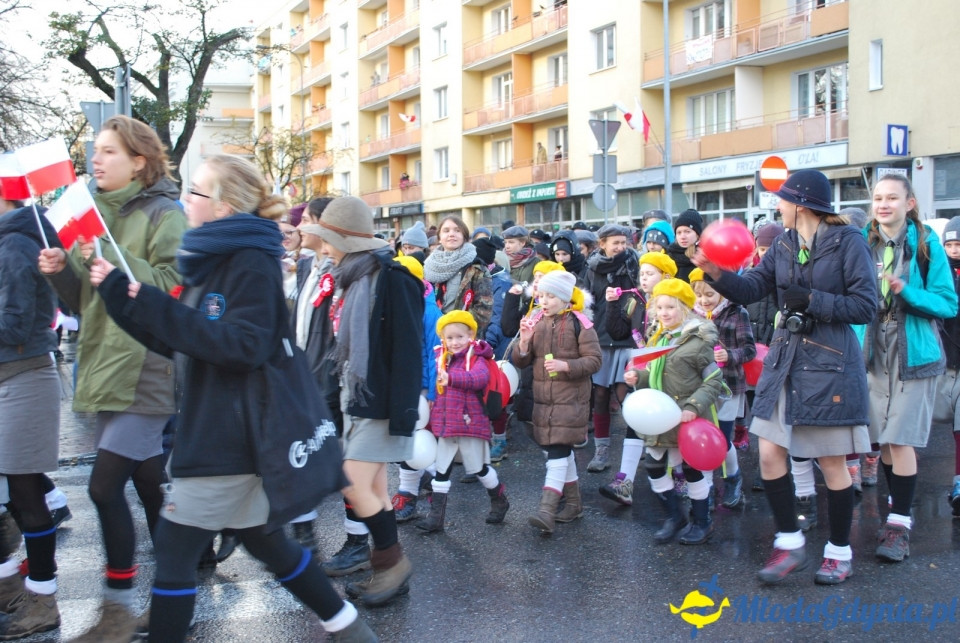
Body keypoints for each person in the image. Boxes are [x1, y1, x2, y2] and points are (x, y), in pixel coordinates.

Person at [88, 155, 376, 642]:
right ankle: (349, 628)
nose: (185, 200)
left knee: (176, 555)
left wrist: (149, 301)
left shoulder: (248, 263)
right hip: (226, 431)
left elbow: (243, 346)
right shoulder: (215, 259)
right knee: (269, 546)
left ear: (222, 208)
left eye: (195, 192)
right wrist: (121, 295)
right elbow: (184, 342)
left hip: (229, 438)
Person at [38, 115, 188, 639]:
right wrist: (63, 270)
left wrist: (114, 267)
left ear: (139, 161)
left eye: (108, 151)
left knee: (104, 488)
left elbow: (173, 285)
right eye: (93, 152)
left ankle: (117, 609)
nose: (95, 160)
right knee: (149, 482)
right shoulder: (89, 218)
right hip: (104, 362)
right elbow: (85, 301)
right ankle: (181, 579)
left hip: (147, 367)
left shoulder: (166, 213)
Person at [693, 169, 878, 585]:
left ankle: (838, 552)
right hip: (785, 361)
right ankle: (789, 542)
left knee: (831, 462)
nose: (776, 206)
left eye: (781, 199)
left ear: (800, 202)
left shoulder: (849, 242)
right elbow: (752, 289)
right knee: (770, 453)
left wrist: (812, 300)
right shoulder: (784, 243)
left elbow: (866, 306)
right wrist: (713, 271)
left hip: (829, 366)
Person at [314, 196, 423, 607]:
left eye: (328, 239)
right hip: (354, 397)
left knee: (353, 484)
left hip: (378, 401)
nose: (323, 247)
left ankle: (393, 565)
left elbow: (408, 350)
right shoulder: (352, 276)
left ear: (345, 239)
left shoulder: (393, 278)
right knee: (374, 490)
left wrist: (403, 414)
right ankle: (386, 571)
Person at [860, 174, 957, 562]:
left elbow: (948, 304)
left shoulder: (927, 245)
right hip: (871, 350)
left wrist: (905, 292)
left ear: (910, 203)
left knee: (900, 439)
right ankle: (896, 505)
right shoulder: (861, 242)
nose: (884, 205)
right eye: (878, 198)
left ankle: (899, 524)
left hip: (914, 352)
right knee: (883, 438)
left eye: (892, 198)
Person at [0, 207, 63, 639]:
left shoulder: (16, 243)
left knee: (24, 490)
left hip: (24, 376)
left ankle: (43, 599)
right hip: (10, 375)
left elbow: (17, 322)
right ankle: (8, 586)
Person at [623, 279, 723, 544]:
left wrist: (693, 406)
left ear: (685, 309)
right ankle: (674, 516)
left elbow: (714, 380)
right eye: (660, 307)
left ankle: (702, 522)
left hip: (687, 418)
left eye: (671, 307)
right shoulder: (658, 338)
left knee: (691, 471)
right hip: (660, 418)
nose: (664, 313)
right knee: (654, 466)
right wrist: (637, 378)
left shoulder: (698, 341)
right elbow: (652, 377)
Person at [511, 271, 601, 534]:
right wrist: (524, 343)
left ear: (564, 298)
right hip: (543, 400)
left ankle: (547, 510)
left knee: (557, 451)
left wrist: (567, 365)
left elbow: (595, 361)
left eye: (550, 296)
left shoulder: (580, 324)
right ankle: (573, 504)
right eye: (541, 296)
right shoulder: (536, 321)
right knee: (560, 451)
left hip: (571, 400)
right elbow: (521, 360)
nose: (544, 301)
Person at [417, 311, 509, 532]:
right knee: (441, 471)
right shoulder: (442, 358)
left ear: (471, 335)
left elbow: (478, 379)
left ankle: (499, 499)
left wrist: (452, 379)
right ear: (443, 339)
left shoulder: (478, 359)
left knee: (480, 469)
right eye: (450, 338)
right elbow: (439, 390)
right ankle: (436, 518)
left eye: (460, 337)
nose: (455, 342)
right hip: (448, 426)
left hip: (470, 425)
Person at [599, 251, 677, 506]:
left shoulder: (678, 300)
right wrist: (611, 304)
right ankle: (625, 481)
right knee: (637, 418)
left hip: (673, 371)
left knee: (674, 425)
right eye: (642, 273)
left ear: (665, 275)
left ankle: (681, 476)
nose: (643, 278)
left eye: (649, 273)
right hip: (645, 370)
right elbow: (619, 331)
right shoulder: (635, 300)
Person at [689, 267, 755, 509]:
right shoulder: (691, 316)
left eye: (710, 295)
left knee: (723, 439)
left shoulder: (737, 313)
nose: (704, 301)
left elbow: (750, 350)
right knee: (703, 437)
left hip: (728, 386)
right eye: (699, 295)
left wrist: (730, 354)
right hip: (699, 387)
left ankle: (732, 478)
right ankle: (705, 487)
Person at [389, 254, 441, 522]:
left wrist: (432, 392)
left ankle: (425, 491)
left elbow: (436, 355)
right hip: (399, 386)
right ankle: (413, 489)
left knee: (419, 441)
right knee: (403, 441)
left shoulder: (430, 312)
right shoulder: (395, 306)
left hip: (420, 388)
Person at [584, 224, 640, 472]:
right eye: (614, 242)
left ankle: (643, 441)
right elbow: (586, 303)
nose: (619, 247)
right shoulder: (592, 268)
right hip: (601, 337)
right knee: (600, 395)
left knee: (626, 395)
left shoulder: (634, 264)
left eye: (623, 242)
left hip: (629, 337)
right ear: (602, 244)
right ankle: (602, 450)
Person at [423, 215, 493, 337]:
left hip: (461, 339)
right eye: (446, 231)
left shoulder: (476, 268)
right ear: (439, 237)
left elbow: (484, 310)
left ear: (465, 237)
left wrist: (455, 330)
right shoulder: (427, 267)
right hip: (430, 336)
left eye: (457, 230)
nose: (451, 234)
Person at [934, 216, 960, 516]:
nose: (954, 250)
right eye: (949, 244)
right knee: (915, 428)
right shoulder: (939, 273)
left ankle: (957, 483)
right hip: (939, 363)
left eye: (958, 244)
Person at [667, 209, 703, 282]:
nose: (682, 236)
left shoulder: (704, 258)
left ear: (697, 234)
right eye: (679, 232)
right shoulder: (668, 256)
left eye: (687, 232)